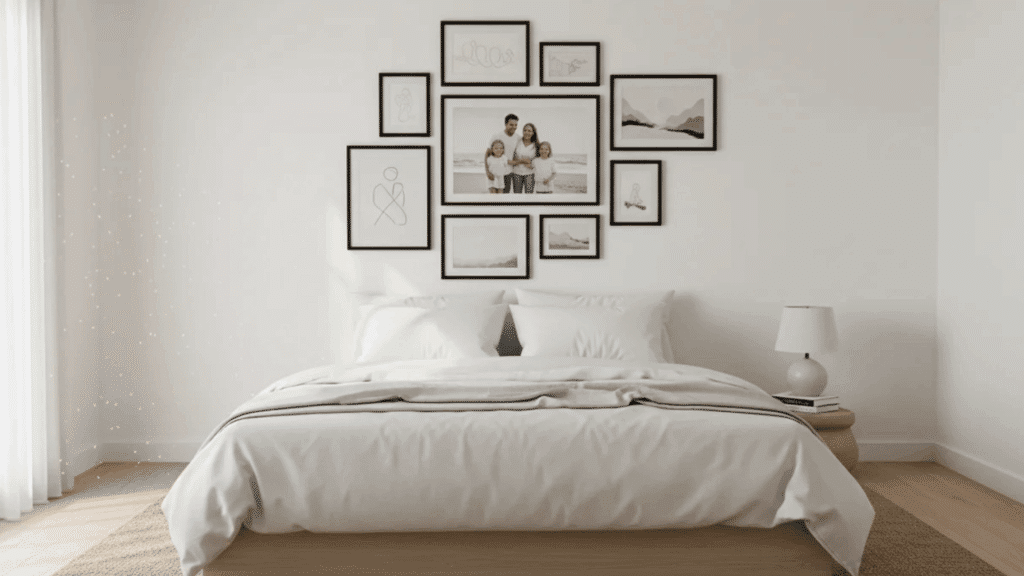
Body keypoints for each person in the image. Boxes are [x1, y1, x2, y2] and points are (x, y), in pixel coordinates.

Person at [484, 114, 519, 194]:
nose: (514, 127)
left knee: (504, 196)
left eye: (516, 125)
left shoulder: (518, 138)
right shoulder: (497, 136)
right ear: (505, 124)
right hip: (494, 172)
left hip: (508, 172)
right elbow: (487, 154)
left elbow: (516, 155)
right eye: (511, 124)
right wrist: (487, 172)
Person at [510, 123, 538, 194]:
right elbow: (513, 157)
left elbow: (538, 161)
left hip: (530, 173)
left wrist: (531, 164)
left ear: (533, 132)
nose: (526, 132)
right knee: (517, 195)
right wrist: (524, 161)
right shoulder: (518, 142)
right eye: (525, 130)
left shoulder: (536, 145)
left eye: (529, 131)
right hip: (516, 172)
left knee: (529, 196)